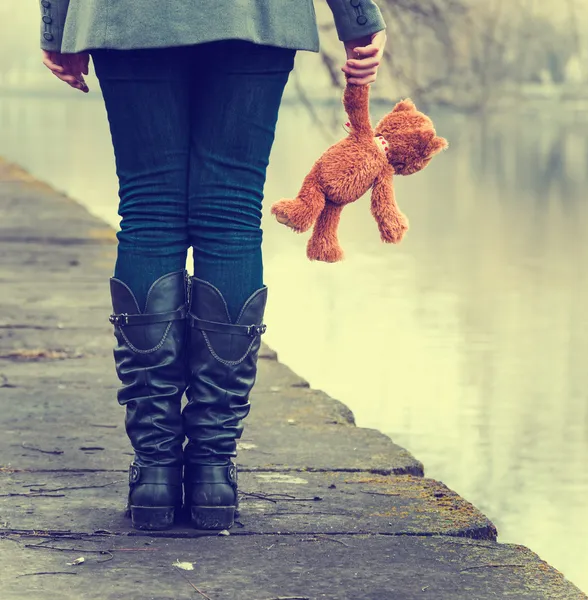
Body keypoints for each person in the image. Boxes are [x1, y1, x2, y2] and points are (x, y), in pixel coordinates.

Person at [39, 0, 387, 532]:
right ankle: (212, 473)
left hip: (126, 15)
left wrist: (57, 21)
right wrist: (358, 16)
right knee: (230, 212)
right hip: (253, 16)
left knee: (149, 209)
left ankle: (155, 471)